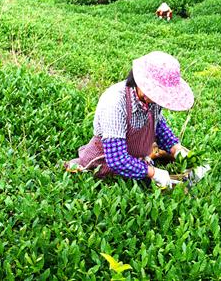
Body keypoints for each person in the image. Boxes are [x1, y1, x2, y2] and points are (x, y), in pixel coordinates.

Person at [65, 51, 199, 188]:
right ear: (140, 82)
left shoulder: (151, 101)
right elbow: (117, 160)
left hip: (137, 158)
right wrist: (153, 173)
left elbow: (160, 128)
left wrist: (180, 152)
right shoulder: (115, 103)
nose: (157, 98)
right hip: (105, 162)